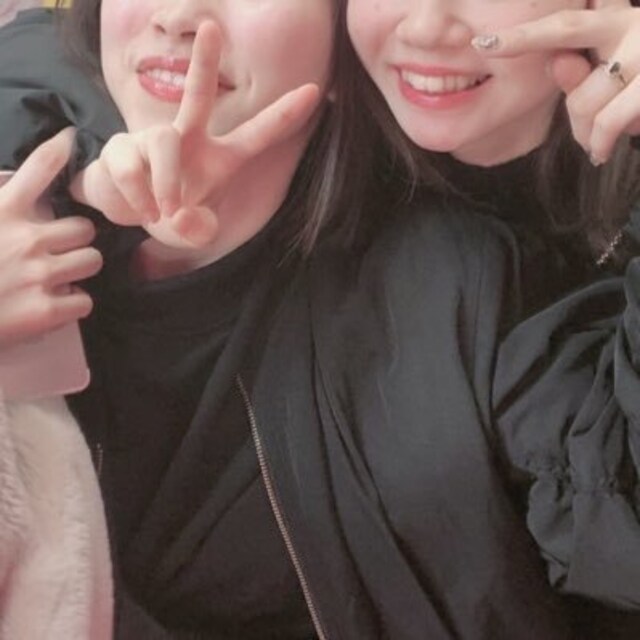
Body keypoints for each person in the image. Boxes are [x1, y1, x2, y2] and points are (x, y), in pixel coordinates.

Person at [3, 1, 640, 640]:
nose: (177, 15)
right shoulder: (31, 192)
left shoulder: (465, 297)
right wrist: (78, 174)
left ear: (342, 48)